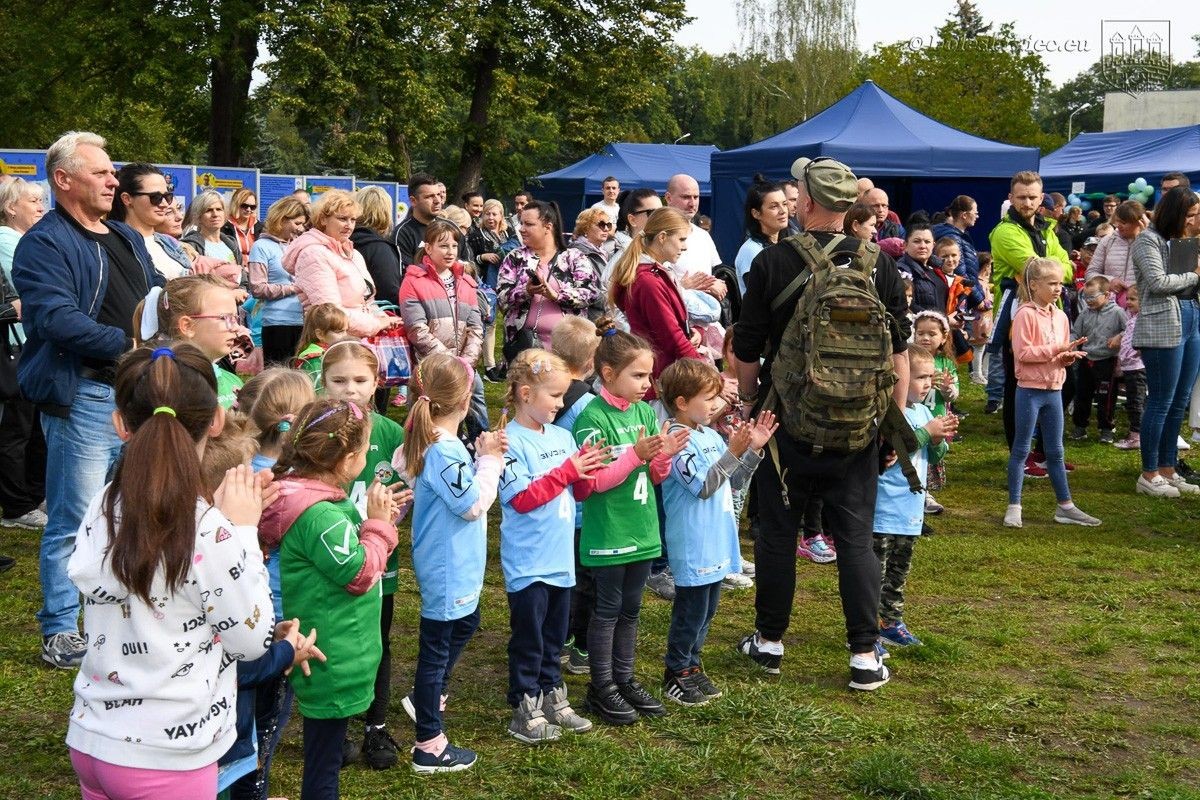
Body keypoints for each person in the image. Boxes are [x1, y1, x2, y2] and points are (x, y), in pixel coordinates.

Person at [733, 155, 911, 690]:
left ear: (805, 202)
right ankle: (863, 654)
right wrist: (891, 420)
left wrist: (750, 409)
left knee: (778, 535)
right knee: (855, 536)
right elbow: (899, 351)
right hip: (860, 425)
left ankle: (768, 644)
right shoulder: (879, 264)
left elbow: (746, 349)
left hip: (785, 422)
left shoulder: (771, 263)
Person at [66, 343, 274, 797]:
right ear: (216, 421)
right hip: (167, 759)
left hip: (92, 740)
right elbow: (252, 639)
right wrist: (241, 533)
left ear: (121, 424)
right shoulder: (211, 530)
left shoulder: (105, 503)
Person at [12, 131, 165, 669]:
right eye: (101, 172)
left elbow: (153, 299)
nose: (112, 181)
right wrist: (132, 345)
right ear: (63, 179)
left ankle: (118, 612)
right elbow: (54, 318)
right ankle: (59, 627)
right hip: (86, 394)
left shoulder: (121, 237)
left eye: (112, 172)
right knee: (75, 517)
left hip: (137, 392)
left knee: (131, 510)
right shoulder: (45, 242)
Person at [258, 398, 403, 798]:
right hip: (331, 654)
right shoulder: (320, 513)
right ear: (350, 459)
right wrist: (378, 526)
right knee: (323, 768)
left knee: (309, 752)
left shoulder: (308, 497)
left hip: (321, 646)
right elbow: (359, 574)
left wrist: (377, 521)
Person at [571, 323, 690, 724]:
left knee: (632, 609)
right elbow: (596, 481)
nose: (647, 383)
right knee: (607, 609)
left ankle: (624, 679)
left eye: (649, 375)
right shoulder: (591, 418)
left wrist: (663, 455)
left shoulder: (643, 411)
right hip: (609, 532)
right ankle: (600, 687)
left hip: (642, 530)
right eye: (638, 375)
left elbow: (654, 477)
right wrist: (636, 455)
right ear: (608, 375)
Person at [399, 353, 506, 773]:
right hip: (447, 565)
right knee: (435, 649)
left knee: (466, 623)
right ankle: (429, 742)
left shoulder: (434, 444)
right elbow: (472, 504)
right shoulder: (442, 451)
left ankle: (429, 694)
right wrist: (490, 460)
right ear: (466, 401)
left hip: (456, 562)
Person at [498, 349, 602, 742]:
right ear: (526, 394)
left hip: (561, 559)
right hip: (528, 562)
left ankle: (553, 695)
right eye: (555, 396)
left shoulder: (562, 436)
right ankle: (524, 706)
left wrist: (588, 471)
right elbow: (522, 498)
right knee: (529, 636)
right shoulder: (508, 441)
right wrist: (567, 471)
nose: (561, 404)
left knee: (555, 635)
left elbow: (578, 493)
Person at [658, 358, 774, 705]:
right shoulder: (676, 442)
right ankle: (676, 670)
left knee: (708, 610)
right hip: (693, 542)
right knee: (690, 611)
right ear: (681, 402)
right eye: (709, 399)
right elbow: (704, 486)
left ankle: (693, 665)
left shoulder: (710, 435)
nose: (716, 405)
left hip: (718, 540)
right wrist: (735, 451)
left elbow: (733, 482)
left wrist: (751, 452)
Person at [317, 342, 408, 769]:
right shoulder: (313, 428)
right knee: (331, 643)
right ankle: (338, 725)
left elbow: (403, 494)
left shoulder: (390, 434)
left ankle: (375, 725)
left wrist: (391, 516)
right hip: (328, 562)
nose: (349, 390)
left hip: (378, 562)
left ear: (376, 383)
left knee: (378, 642)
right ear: (322, 381)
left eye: (359, 381)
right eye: (339, 380)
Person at [1005, 257, 1101, 527]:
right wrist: (1057, 351)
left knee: (1056, 452)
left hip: (1054, 389)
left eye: (1061, 283)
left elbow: (1055, 355)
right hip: (1029, 390)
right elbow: (1022, 353)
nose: (1059, 288)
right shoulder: (1024, 313)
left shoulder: (1060, 315)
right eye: (1052, 283)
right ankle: (1014, 504)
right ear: (1034, 285)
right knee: (1021, 449)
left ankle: (1065, 506)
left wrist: (1066, 358)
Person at [874, 344, 954, 649]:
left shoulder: (923, 411)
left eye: (929, 378)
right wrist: (926, 432)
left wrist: (938, 439)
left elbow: (932, 456)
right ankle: (868, 629)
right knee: (875, 577)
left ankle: (891, 622)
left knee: (898, 574)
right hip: (883, 512)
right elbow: (897, 446)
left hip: (910, 513)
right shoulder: (889, 414)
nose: (926, 385)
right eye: (920, 377)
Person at [987, 171, 1073, 450]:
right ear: (1011, 197)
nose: (1027, 203)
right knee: (1018, 385)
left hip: (1051, 313)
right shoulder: (1005, 232)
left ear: (1041, 197)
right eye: (1021, 197)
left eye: (1033, 197)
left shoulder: (1048, 229)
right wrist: (1055, 268)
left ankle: (1045, 451)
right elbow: (1036, 269)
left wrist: (1055, 271)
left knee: (1058, 382)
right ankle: (1019, 453)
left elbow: (1066, 271)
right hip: (1019, 315)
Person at [1130, 186, 1200, 497]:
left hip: (1190, 317)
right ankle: (1149, 473)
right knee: (1160, 401)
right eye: (1189, 215)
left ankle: (1169, 468)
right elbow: (1158, 283)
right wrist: (1196, 274)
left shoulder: (1180, 241)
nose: (1193, 221)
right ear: (1174, 213)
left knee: (1179, 401)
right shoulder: (1148, 240)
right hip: (1162, 324)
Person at [398, 219, 487, 437]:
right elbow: (417, 329)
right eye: (443, 245)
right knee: (430, 413)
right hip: (431, 364)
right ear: (428, 247)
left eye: (454, 246)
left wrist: (467, 361)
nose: (450, 251)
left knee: (475, 400)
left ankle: (480, 447)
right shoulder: (413, 281)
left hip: (465, 363)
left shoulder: (466, 281)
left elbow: (476, 326)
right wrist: (449, 361)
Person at [549, 315, 601, 675]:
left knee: (560, 576)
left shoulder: (541, 391)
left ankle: (559, 636)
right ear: (592, 362)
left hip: (550, 501)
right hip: (582, 505)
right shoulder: (589, 405)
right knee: (584, 581)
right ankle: (579, 645)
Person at [608, 207, 704, 400]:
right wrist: (704, 372)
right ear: (662, 237)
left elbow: (672, 327)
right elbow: (670, 335)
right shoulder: (648, 281)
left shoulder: (652, 274)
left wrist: (693, 332)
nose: (684, 247)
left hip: (661, 374)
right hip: (659, 379)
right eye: (681, 239)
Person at [0, 177, 47, 531]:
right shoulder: (7, 240)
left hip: (28, 344)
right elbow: (27, 290)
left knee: (31, 425)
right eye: (32, 200)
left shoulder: (27, 240)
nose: (40, 206)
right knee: (17, 427)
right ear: (10, 207)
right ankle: (16, 506)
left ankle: (32, 495)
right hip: (13, 345)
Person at [496, 200, 599, 362]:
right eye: (521, 223)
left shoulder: (574, 257)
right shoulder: (515, 257)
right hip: (524, 347)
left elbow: (590, 294)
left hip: (566, 349)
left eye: (529, 224)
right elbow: (501, 299)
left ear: (548, 227)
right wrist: (526, 291)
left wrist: (557, 295)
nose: (521, 229)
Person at [284, 189, 391, 338]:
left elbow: (367, 301)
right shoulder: (314, 254)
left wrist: (384, 318)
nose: (349, 225)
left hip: (356, 340)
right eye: (343, 218)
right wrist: (377, 324)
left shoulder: (353, 253)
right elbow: (331, 313)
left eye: (353, 220)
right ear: (323, 220)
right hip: (330, 344)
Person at [248, 196, 309, 365]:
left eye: (303, 224)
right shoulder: (261, 247)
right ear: (281, 219)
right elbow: (257, 288)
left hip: (303, 322)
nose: (301, 229)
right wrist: (292, 288)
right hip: (278, 323)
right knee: (278, 377)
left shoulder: (297, 246)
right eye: (297, 223)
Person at [1070, 275, 1127, 444]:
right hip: (1087, 360)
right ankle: (1080, 427)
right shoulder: (1085, 313)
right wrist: (1071, 344)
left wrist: (1119, 336)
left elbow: (1130, 330)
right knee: (1082, 395)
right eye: (1086, 297)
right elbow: (1076, 332)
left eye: (1093, 297)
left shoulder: (1117, 313)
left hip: (1107, 361)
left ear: (1107, 295)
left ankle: (1106, 428)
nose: (1089, 301)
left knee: (1106, 398)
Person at [109, 163, 191, 280]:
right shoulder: (115, 245)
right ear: (127, 199)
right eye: (155, 197)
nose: (164, 204)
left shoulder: (168, 242)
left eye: (167, 197)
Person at [911, 310, 958, 515]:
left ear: (944, 337)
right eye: (920, 333)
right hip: (913, 417)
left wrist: (947, 388)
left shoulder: (946, 364)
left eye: (932, 334)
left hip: (935, 417)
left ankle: (926, 492)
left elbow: (952, 396)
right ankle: (916, 490)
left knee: (932, 455)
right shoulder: (909, 358)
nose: (925, 338)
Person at [664, 174, 726, 301]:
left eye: (696, 197)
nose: (692, 203)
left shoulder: (703, 235)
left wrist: (716, 284)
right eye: (686, 197)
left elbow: (717, 273)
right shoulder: (659, 237)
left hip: (707, 316)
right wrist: (682, 287)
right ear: (668, 198)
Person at [467, 199, 511, 380]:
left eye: (495, 214)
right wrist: (482, 257)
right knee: (489, 324)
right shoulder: (476, 234)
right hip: (486, 286)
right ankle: (489, 366)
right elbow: (470, 258)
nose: (491, 218)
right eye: (487, 214)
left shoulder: (509, 235)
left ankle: (505, 363)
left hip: (508, 283)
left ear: (501, 216)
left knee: (510, 324)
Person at [351, 186, 404, 311]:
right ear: (386, 212)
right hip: (379, 319)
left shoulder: (343, 241)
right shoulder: (380, 249)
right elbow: (390, 293)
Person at [734, 179, 789, 296]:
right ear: (756, 213)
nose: (783, 211)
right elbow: (761, 298)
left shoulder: (788, 244)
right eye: (774, 206)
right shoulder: (751, 250)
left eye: (784, 204)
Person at [1086, 200, 1146, 307]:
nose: (1118, 226)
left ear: (1139, 222)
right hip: (1109, 307)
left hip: (1141, 308)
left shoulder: (1150, 243)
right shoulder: (1107, 241)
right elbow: (1090, 274)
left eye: (1124, 222)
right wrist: (1109, 281)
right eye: (1117, 221)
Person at [931, 195, 982, 306]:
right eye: (975, 213)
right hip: (959, 300)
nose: (977, 216)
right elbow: (961, 272)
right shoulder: (954, 238)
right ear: (964, 215)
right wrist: (979, 299)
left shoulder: (960, 236)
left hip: (964, 297)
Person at [1116, 285, 1147, 450]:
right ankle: (1135, 434)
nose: (1128, 302)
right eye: (1127, 299)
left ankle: (1137, 436)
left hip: (1137, 367)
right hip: (1129, 366)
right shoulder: (1132, 318)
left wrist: (1136, 354)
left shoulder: (1143, 319)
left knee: (1136, 402)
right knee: (1132, 401)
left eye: (1133, 299)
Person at [566, 208, 612, 318]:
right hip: (588, 317)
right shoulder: (577, 253)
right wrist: (611, 300)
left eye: (608, 225)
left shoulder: (605, 253)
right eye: (601, 224)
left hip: (604, 314)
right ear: (586, 228)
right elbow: (587, 290)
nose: (606, 229)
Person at [291, 303, 351, 386]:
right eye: (339, 332)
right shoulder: (315, 359)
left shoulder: (331, 352)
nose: (345, 336)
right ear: (320, 334)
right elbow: (320, 393)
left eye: (346, 330)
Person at [392, 173, 444, 269]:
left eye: (438, 195)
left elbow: (468, 263)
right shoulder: (403, 233)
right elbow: (405, 275)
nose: (437, 201)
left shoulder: (450, 227)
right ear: (413, 201)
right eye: (429, 196)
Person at [897, 225, 948, 316]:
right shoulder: (901, 270)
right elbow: (907, 304)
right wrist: (939, 319)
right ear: (905, 245)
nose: (923, 246)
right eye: (917, 241)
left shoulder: (938, 269)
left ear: (933, 245)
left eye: (927, 242)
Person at [183, 190, 243, 268]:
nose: (215, 214)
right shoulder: (191, 246)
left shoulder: (231, 244)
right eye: (208, 210)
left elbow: (243, 276)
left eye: (219, 209)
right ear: (198, 216)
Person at [224, 187, 263, 264]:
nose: (248, 209)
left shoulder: (260, 227)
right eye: (244, 206)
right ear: (236, 204)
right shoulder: (224, 227)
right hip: (235, 269)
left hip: (256, 271)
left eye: (252, 207)